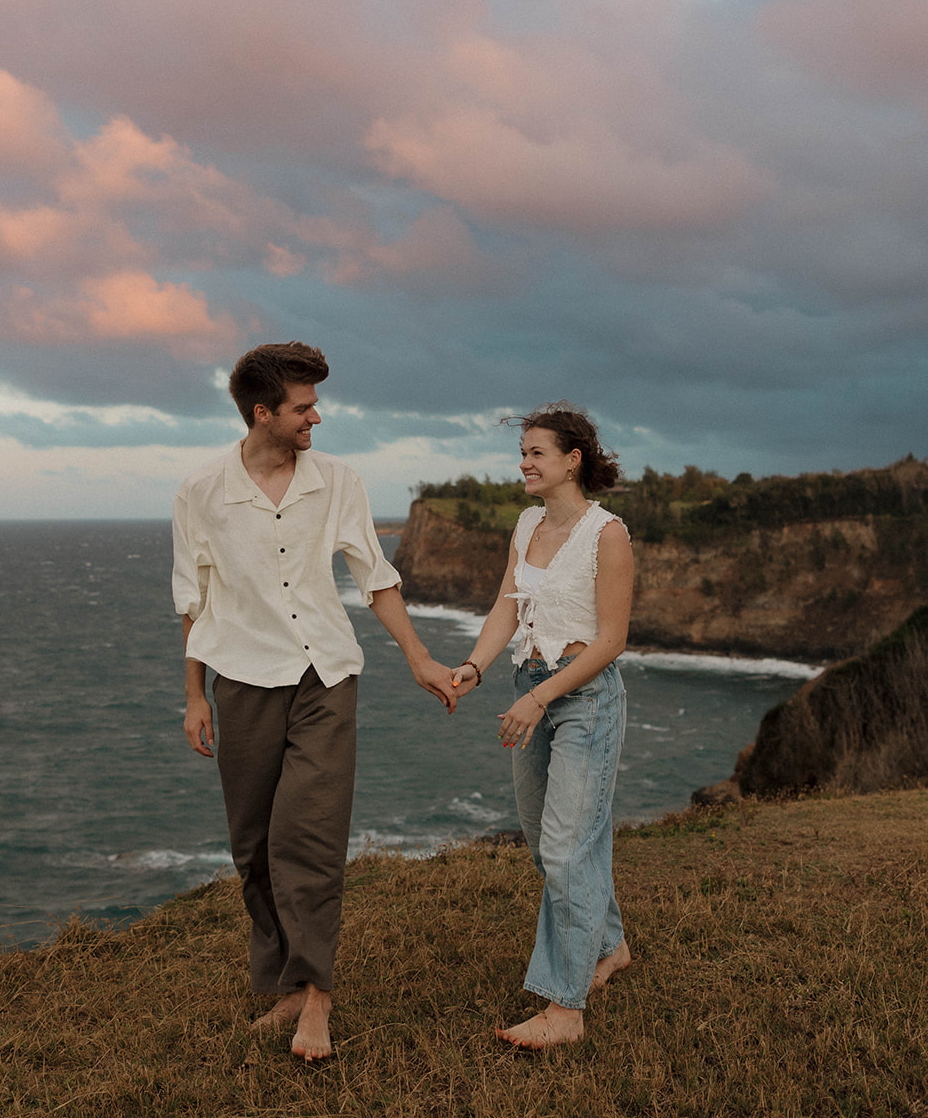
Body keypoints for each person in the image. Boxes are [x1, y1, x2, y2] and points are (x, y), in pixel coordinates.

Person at [173, 341, 458, 1061]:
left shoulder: (337, 482)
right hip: (240, 681)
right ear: (262, 413)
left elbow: (376, 577)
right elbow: (193, 603)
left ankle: (318, 1001)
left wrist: (419, 657)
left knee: (310, 836)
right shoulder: (201, 493)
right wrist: (194, 697)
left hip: (324, 677)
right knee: (254, 847)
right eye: (302, 408)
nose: (316, 418)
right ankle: (287, 988)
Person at [451, 402, 634, 1049]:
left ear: (571, 460)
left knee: (565, 847)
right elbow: (508, 606)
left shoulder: (605, 535)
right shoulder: (527, 522)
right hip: (528, 684)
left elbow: (610, 640)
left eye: (535, 453)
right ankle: (608, 947)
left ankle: (564, 1008)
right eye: (522, 452)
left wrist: (540, 699)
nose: (523, 463)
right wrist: (474, 667)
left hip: (582, 697)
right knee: (545, 842)